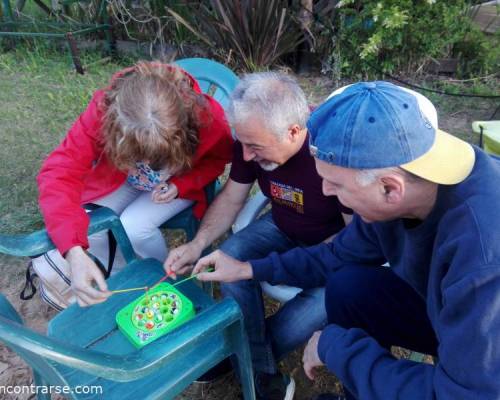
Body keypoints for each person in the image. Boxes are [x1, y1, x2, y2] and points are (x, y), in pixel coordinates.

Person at [192, 81, 500, 399]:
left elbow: (467, 394)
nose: (325, 193)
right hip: (440, 308)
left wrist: (336, 347)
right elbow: (338, 255)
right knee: (349, 286)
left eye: (336, 185)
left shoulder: (482, 257)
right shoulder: (408, 176)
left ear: (390, 189)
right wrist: (248, 270)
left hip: (482, 358)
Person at [164, 72, 352, 399]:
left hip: (333, 245)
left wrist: (280, 265)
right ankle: (260, 369)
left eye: (255, 147)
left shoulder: (332, 152)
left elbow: (355, 237)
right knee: (231, 254)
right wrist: (196, 244)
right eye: (243, 144)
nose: (247, 155)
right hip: (282, 224)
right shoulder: (251, 139)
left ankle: (239, 354)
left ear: (294, 132)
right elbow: (232, 198)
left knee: (314, 308)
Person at [37, 61, 233, 307]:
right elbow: (58, 172)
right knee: (91, 228)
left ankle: (163, 284)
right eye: (138, 153)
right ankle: (125, 281)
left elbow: (217, 161)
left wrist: (181, 185)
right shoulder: (104, 110)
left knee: (134, 227)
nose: (149, 161)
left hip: (176, 184)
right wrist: (74, 252)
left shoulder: (208, 117)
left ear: (184, 129)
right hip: (125, 179)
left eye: (157, 154)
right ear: (115, 127)